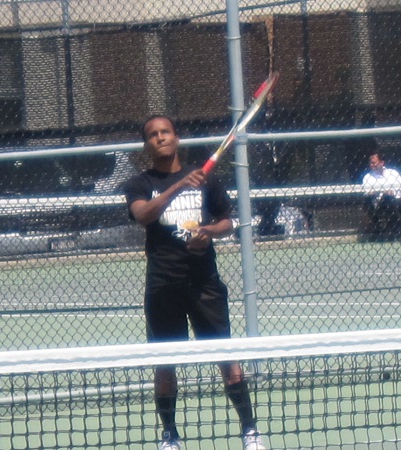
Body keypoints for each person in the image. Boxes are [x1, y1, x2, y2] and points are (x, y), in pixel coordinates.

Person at [123, 115, 266, 450]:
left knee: (226, 359)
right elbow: (143, 215)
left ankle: (250, 431)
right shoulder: (139, 184)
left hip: (204, 284)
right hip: (163, 286)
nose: (160, 137)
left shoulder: (206, 180)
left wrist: (208, 232)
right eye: (153, 134)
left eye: (166, 132)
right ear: (146, 145)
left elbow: (227, 222)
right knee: (165, 365)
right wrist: (178, 186)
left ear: (177, 138)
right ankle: (170, 436)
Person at [362, 152, 401, 241]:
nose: (371, 165)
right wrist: (383, 191)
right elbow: (368, 193)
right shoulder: (368, 177)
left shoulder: (393, 173)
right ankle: (398, 233)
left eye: (374, 163)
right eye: (370, 163)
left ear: (382, 162)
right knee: (388, 198)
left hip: (400, 200)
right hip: (383, 204)